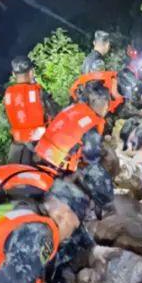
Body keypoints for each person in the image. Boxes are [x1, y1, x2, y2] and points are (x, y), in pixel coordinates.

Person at [34, 83, 115, 214]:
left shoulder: (75, 108)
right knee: (97, 174)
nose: (107, 108)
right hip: (58, 167)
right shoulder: (91, 125)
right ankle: (103, 209)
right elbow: (92, 159)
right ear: (98, 102)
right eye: (106, 103)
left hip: (41, 155)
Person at [4, 56, 58, 165]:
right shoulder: (38, 91)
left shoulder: (8, 94)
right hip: (39, 148)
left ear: (14, 74)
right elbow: (55, 113)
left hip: (16, 149)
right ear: (32, 72)